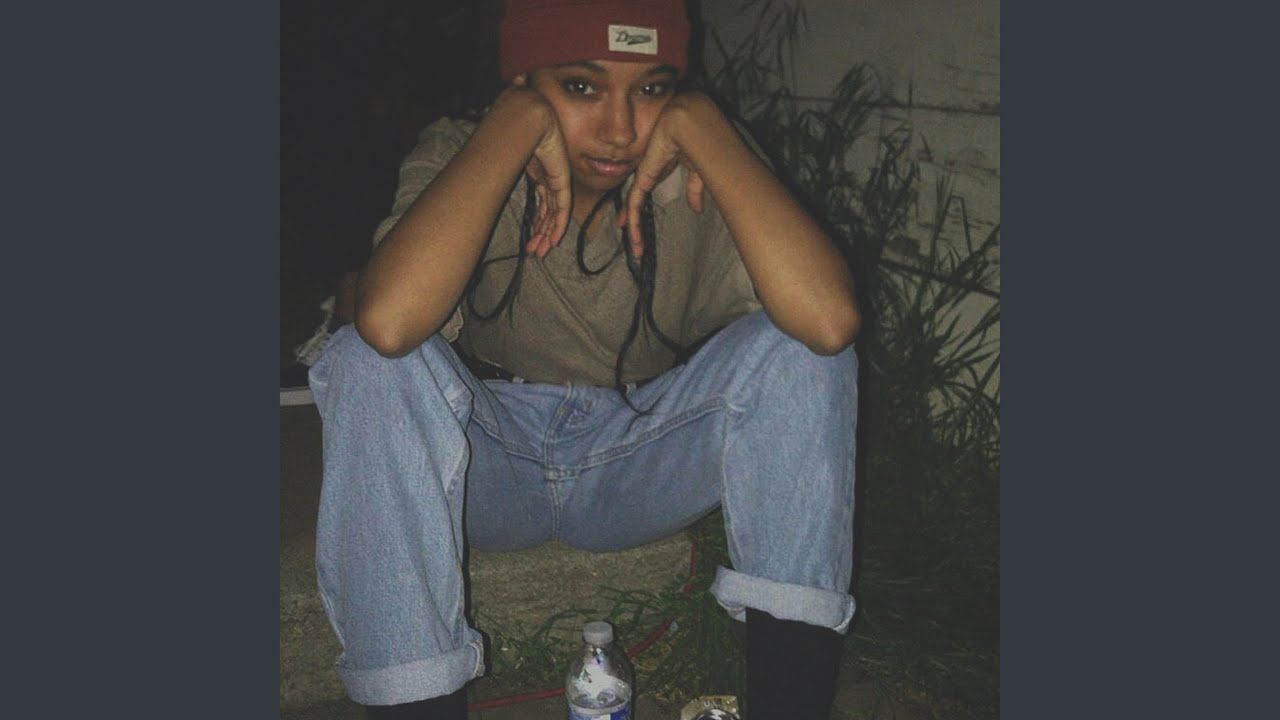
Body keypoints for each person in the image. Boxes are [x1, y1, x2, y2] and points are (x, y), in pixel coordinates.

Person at [308, 1, 863, 718]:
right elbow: (387, 324)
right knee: (365, 359)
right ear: (524, 80)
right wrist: (512, 125)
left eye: (653, 88)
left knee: (804, 355)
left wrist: (704, 126)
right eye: (580, 86)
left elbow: (828, 323)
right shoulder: (464, 150)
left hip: (638, 454)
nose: (621, 128)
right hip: (485, 458)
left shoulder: (704, 161)